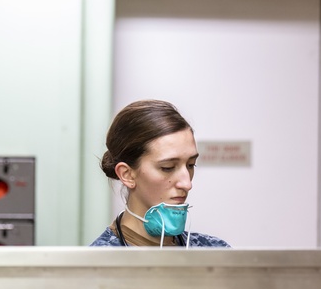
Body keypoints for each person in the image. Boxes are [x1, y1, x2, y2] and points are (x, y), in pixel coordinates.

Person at [90, 99, 230, 247]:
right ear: (127, 174)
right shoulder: (97, 264)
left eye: (191, 164)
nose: (187, 184)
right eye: (168, 167)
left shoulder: (216, 251)